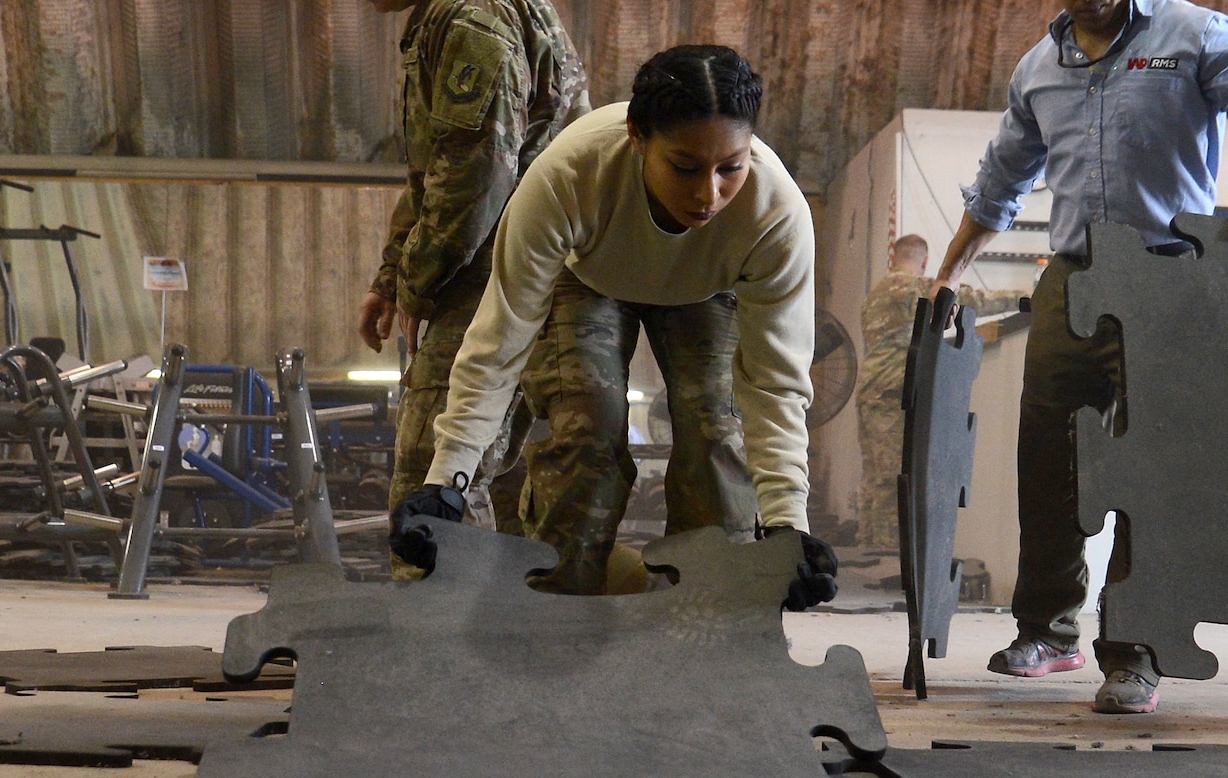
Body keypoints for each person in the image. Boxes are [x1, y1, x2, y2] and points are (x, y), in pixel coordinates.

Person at [388, 44, 837, 604]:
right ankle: (559, 618)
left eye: (732, 168)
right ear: (636, 136)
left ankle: (703, 625)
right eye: (685, 167)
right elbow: (500, 340)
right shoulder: (567, 177)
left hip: (708, 285)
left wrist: (787, 526)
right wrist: (447, 482)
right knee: (588, 431)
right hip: (590, 276)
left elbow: (774, 384)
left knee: (719, 436)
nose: (708, 194)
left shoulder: (776, 216)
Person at [931, 0, 1228, 714]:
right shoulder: (1037, 68)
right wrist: (946, 276)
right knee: (1051, 458)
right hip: (1070, 276)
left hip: (1171, 273)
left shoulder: (1195, 36)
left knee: (1149, 471)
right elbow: (1000, 182)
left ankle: (1136, 650)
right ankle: (1048, 630)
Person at [356, 0, 589, 572]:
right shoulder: (469, 13)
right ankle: (502, 645)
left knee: (432, 481)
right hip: (531, 264)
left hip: (493, 269)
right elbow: (442, 165)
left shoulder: (469, 20)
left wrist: (417, 282)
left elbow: (474, 177)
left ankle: (439, 650)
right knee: (510, 485)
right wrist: (392, 274)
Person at [856, 234, 1021, 551]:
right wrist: (1024, 298)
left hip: (871, 388)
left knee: (876, 470)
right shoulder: (907, 288)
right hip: (891, 391)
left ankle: (871, 543)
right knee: (894, 469)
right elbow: (966, 299)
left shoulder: (877, 292)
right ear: (923, 261)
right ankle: (892, 552)